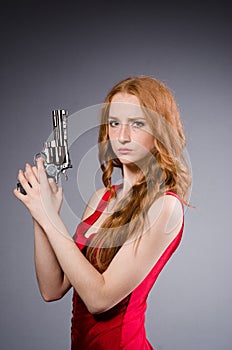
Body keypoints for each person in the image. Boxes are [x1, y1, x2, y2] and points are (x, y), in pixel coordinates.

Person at [14, 76, 191, 349]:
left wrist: (50, 217)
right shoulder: (101, 198)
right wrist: (40, 211)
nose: (122, 136)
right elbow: (52, 289)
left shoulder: (164, 207)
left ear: (159, 133)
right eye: (114, 123)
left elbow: (99, 299)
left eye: (137, 124)